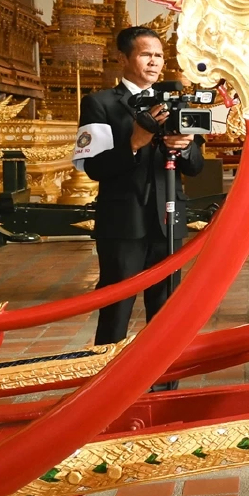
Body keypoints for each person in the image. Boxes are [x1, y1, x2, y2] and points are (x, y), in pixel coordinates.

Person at [76, 27, 205, 383]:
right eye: (146, 54)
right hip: (123, 223)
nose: (154, 62)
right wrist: (134, 141)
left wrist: (184, 148)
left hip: (168, 221)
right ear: (123, 58)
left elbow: (196, 167)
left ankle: (164, 385)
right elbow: (94, 167)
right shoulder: (100, 103)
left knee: (167, 311)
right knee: (116, 309)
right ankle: (105, 388)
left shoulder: (176, 101)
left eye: (159, 55)